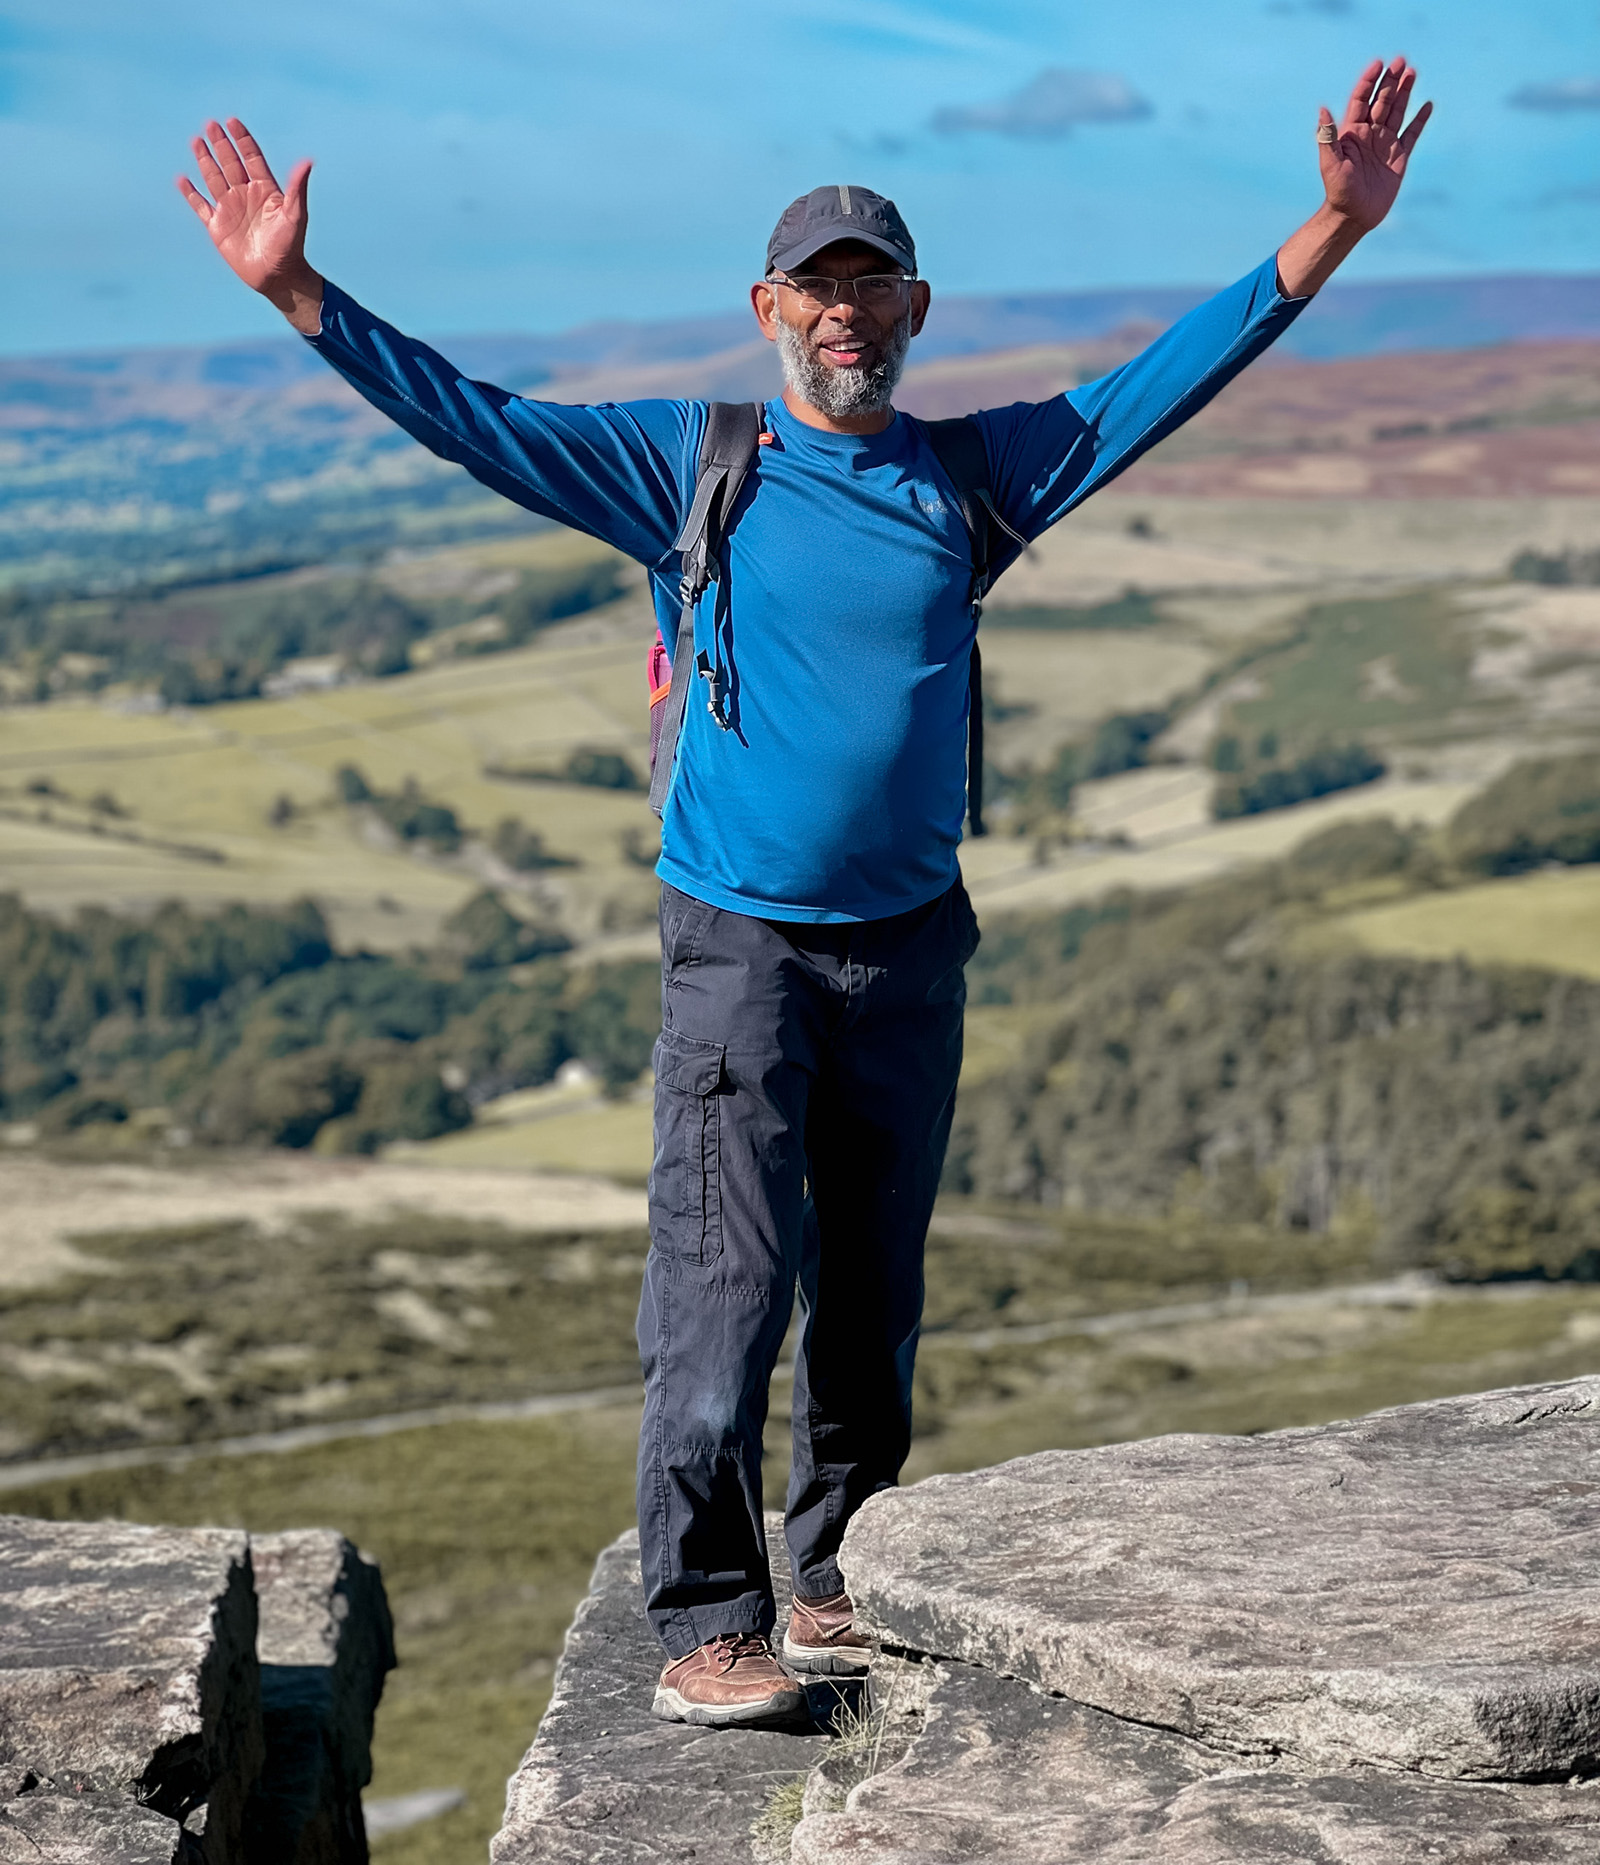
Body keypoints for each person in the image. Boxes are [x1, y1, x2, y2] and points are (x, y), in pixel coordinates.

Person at [180, 56, 1430, 1729]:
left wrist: (1331, 230)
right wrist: (301, 296)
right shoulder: (685, 464)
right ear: (771, 306)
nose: (850, 318)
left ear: (915, 310)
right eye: (821, 292)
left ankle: (831, 1572)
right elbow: (477, 418)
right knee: (722, 1283)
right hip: (742, 950)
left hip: (912, 949)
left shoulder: (973, 476)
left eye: (878, 293)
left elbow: (1159, 384)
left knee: (876, 1297)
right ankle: (705, 1615)